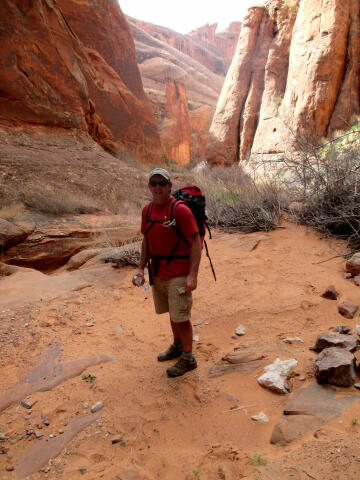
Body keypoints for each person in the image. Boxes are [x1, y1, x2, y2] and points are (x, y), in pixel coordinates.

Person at [132, 167, 202, 377]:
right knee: (173, 313)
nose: (158, 187)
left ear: (170, 186)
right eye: (154, 184)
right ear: (149, 187)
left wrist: (193, 275)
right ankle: (178, 346)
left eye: (162, 183)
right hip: (159, 272)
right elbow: (147, 239)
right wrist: (141, 268)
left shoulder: (180, 210)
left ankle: (188, 359)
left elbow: (195, 242)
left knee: (181, 316)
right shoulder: (147, 210)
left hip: (179, 272)